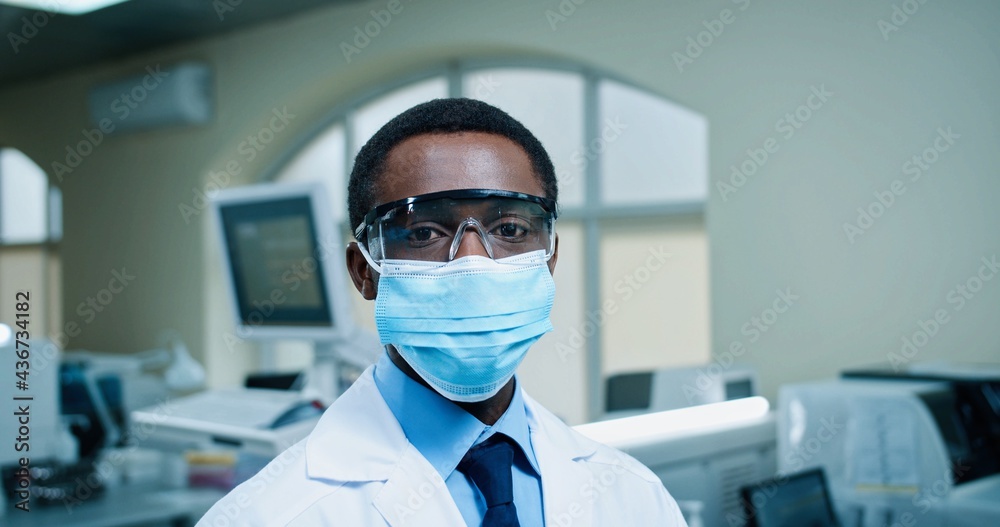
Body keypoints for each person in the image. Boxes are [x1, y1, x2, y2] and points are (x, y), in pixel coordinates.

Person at [196, 98, 688, 526]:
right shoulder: (269, 516)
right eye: (424, 232)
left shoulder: (634, 496)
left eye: (511, 229)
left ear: (549, 260)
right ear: (364, 270)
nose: (473, 263)